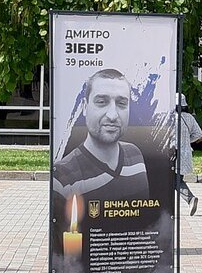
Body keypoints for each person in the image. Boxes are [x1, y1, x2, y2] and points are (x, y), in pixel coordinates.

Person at [53, 67, 150, 205]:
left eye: (121, 103)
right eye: (101, 102)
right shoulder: (62, 177)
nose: (112, 115)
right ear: (84, 107)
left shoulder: (135, 155)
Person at [176, 94, 202, 215]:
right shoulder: (189, 118)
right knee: (177, 179)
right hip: (185, 154)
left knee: (174, 180)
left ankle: (190, 199)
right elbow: (198, 134)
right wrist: (188, 140)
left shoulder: (171, 117)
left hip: (172, 154)